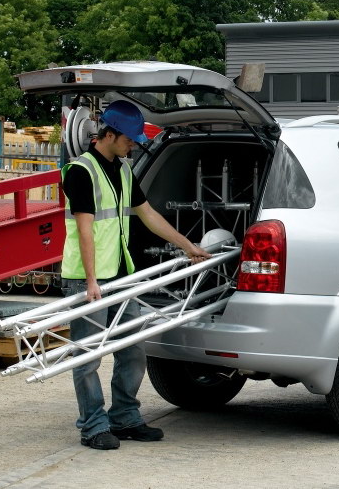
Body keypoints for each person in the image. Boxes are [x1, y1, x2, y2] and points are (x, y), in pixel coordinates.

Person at [61, 100, 211, 450]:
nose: (133, 145)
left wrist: (187, 245)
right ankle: (93, 426)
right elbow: (85, 229)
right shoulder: (81, 171)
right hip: (89, 278)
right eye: (129, 139)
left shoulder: (125, 170)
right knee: (88, 355)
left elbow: (148, 215)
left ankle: (125, 418)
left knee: (132, 347)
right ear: (109, 134)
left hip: (121, 274)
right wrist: (92, 281)